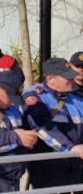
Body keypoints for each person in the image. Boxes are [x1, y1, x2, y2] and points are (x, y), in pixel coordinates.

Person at [23, 58, 83, 189]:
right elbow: (41, 127)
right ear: (51, 79)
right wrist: (71, 148)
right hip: (50, 168)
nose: (72, 81)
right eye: (68, 78)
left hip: (77, 166)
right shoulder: (35, 97)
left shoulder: (76, 97)